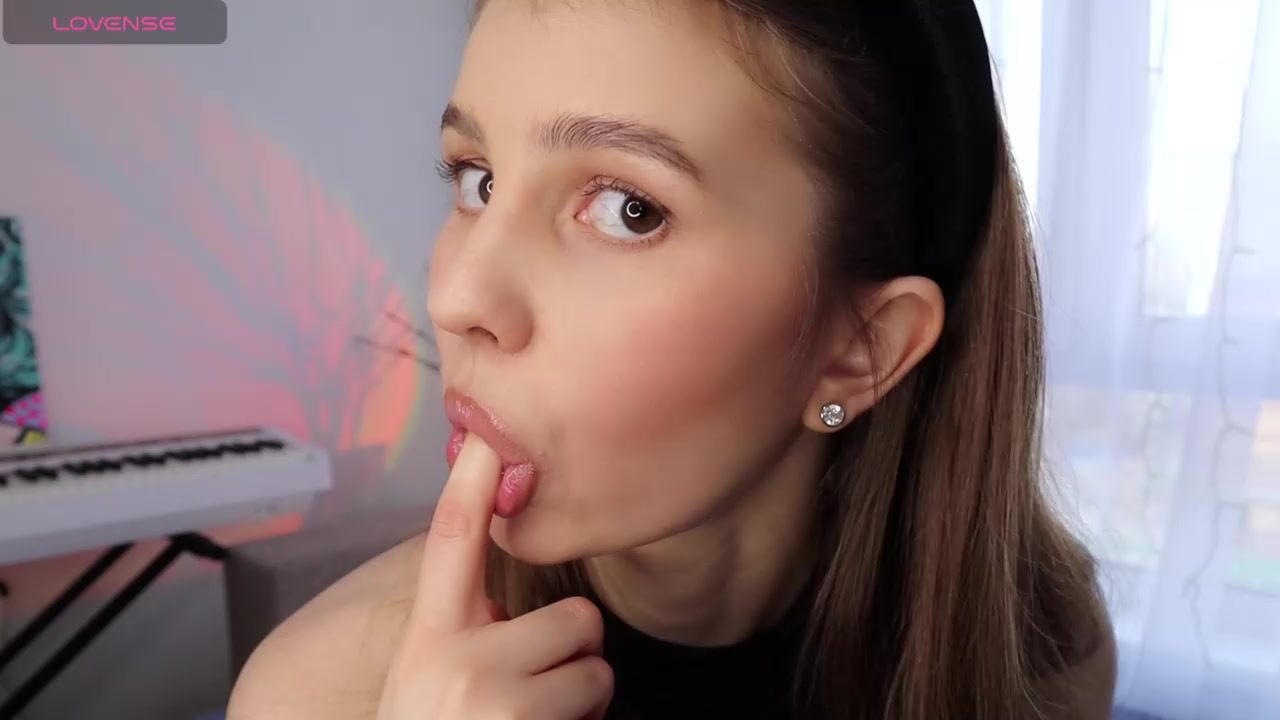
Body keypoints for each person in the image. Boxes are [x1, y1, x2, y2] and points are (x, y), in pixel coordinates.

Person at [226, 1, 1118, 718]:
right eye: (477, 180)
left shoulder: (1040, 655)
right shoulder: (322, 695)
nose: (458, 299)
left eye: (628, 210)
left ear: (860, 350)